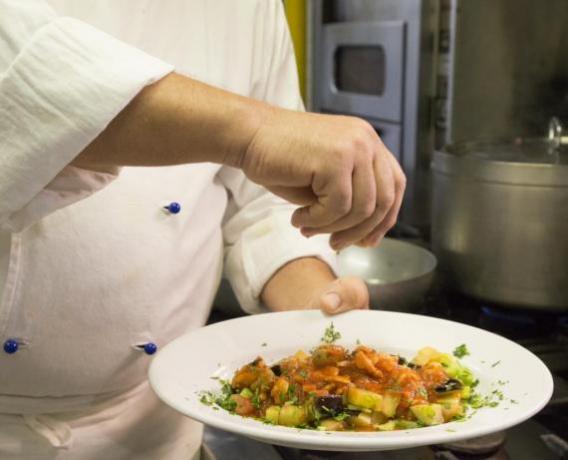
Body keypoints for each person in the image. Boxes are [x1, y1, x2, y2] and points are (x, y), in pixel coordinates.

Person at [0, 0, 406, 458]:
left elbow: (267, 201)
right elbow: (22, 87)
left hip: (158, 429)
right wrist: (255, 132)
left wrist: (312, 307)